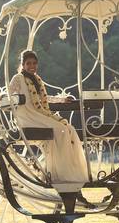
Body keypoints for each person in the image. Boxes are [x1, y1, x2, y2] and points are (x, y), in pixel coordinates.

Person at [7, 50, 89, 193]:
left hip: (40, 114)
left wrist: (61, 100)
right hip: (28, 117)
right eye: (28, 64)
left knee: (69, 129)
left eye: (34, 63)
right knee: (60, 130)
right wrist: (10, 99)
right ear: (23, 64)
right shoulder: (18, 78)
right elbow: (8, 96)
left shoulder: (37, 79)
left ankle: (69, 171)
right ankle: (58, 173)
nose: (31, 66)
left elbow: (45, 98)